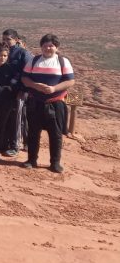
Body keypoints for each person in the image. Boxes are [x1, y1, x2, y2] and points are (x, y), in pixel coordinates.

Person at [21, 34, 75, 173]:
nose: (48, 48)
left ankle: (55, 163)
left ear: (57, 47)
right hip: (35, 103)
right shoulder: (34, 61)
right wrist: (34, 86)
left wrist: (54, 89)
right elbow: (24, 78)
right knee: (33, 132)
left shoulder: (63, 62)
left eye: (51, 45)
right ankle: (31, 160)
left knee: (55, 134)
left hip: (55, 103)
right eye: (45, 45)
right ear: (41, 47)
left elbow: (70, 81)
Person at [2, 28, 33, 156]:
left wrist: (24, 90)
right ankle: (8, 142)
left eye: (8, 39)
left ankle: (16, 147)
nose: (6, 42)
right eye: (4, 39)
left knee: (17, 119)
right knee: (8, 118)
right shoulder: (4, 52)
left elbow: (28, 73)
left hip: (19, 92)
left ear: (16, 39)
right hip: (6, 91)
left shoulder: (23, 53)